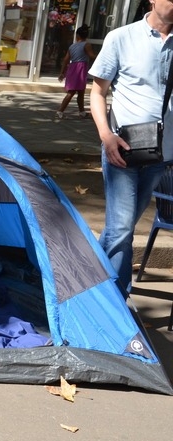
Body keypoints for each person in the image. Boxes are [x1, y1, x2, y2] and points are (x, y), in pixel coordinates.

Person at [89, 0, 173, 293]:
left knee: (119, 231)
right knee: (122, 228)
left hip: (163, 154)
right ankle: (114, 299)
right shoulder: (121, 37)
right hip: (122, 148)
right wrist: (106, 135)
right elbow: (98, 92)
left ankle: (90, 279)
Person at [55, 25, 96, 119]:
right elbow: (91, 55)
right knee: (72, 92)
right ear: (86, 36)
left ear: (77, 35)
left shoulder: (72, 46)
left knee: (80, 91)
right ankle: (60, 111)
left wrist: (62, 72)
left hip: (72, 68)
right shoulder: (87, 45)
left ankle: (82, 111)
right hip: (80, 69)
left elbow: (66, 60)